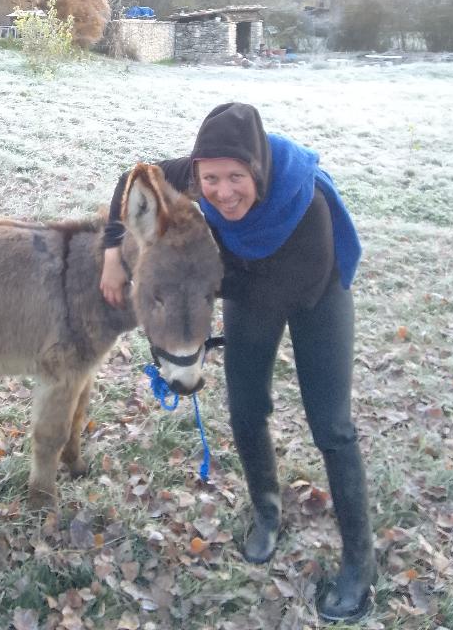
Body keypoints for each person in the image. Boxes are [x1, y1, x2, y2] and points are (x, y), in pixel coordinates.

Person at [100, 103, 376, 623]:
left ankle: (360, 563)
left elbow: (269, 288)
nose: (223, 192)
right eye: (211, 179)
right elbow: (129, 179)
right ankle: (267, 511)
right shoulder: (193, 173)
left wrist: (199, 292)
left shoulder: (308, 205)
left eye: (236, 178)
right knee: (246, 407)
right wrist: (115, 254)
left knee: (332, 426)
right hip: (250, 283)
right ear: (197, 170)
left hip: (315, 289)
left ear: (258, 169)